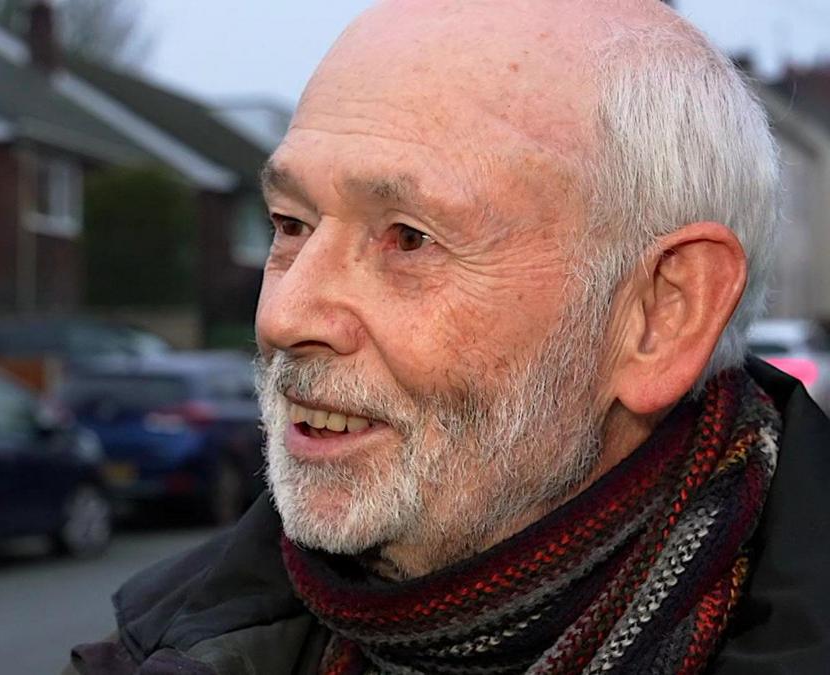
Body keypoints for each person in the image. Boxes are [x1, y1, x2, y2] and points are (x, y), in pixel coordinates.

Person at [65, 0, 830, 672]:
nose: (284, 316)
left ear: (664, 314)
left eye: (408, 237)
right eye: (290, 223)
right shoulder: (164, 648)